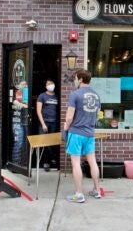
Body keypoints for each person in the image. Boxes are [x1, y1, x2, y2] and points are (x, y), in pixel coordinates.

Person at [64, 69, 101, 203]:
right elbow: (97, 116)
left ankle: (79, 194)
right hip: (90, 134)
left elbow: (69, 117)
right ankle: (97, 190)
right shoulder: (96, 95)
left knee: (76, 164)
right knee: (92, 161)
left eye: (75, 78)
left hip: (76, 133)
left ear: (80, 79)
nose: (74, 81)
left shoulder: (75, 95)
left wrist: (65, 128)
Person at [36, 79, 58, 171]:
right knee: (44, 142)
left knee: (51, 142)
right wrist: (43, 124)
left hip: (54, 122)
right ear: (45, 86)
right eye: (48, 84)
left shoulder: (57, 96)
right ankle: (46, 162)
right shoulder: (42, 96)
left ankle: (50, 159)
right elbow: (38, 111)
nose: (50, 85)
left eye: (52, 83)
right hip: (44, 122)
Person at [11, 80, 29, 166]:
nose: (25, 86)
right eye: (23, 84)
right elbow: (14, 102)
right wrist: (22, 105)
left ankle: (23, 163)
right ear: (19, 85)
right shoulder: (15, 93)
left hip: (25, 121)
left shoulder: (27, 94)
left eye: (26, 84)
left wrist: (21, 104)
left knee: (25, 143)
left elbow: (27, 105)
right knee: (19, 142)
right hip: (17, 121)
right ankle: (15, 164)